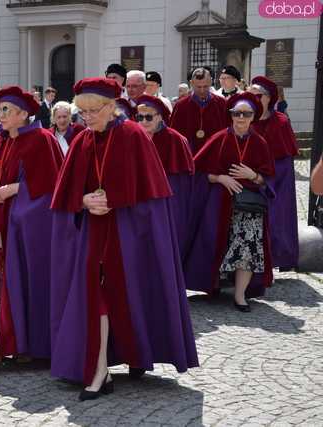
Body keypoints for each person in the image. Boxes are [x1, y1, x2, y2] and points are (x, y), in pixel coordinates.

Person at [50, 78, 198, 400]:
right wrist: (84, 201)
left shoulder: (133, 136)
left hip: (129, 234)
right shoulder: (81, 140)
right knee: (96, 297)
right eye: (83, 112)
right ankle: (99, 369)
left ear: (112, 107)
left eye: (93, 111)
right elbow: (67, 191)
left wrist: (116, 200)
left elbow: (150, 195)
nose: (86, 118)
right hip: (94, 233)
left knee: (128, 295)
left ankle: (131, 356)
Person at [0, 86, 63, 369]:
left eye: (6, 110)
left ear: (24, 114)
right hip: (0, 224)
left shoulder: (42, 140)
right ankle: (14, 343)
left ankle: (2, 346)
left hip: (27, 229)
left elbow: (51, 188)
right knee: (2, 285)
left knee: (18, 282)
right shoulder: (1, 141)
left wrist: (16, 189)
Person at [184, 92, 275, 312]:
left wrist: (252, 175)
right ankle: (212, 284)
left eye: (246, 114)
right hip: (218, 204)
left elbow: (268, 178)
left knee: (248, 248)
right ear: (231, 115)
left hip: (249, 206)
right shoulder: (218, 138)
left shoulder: (260, 142)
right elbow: (198, 170)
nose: (241, 118)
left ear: (253, 116)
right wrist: (220, 178)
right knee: (213, 243)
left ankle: (240, 295)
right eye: (237, 113)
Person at [250, 76, 300, 270]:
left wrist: (267, 180)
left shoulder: (280, 121)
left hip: (277, 178)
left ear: (268, 98)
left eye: (258, 95)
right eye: (250, 95)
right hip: (248, 177)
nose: (254, 99)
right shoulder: (244, 118)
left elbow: (285, 159)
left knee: (277, 219)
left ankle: (276, 259)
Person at [136, 94, 195, 257]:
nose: (143, 121)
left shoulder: (175, 139)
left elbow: (180, 184)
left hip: (168, 200)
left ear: (160, 117)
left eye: (148, 117)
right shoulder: (133, 138)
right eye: (139, 117)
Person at [170, 67, 228, 154]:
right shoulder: (181, 105)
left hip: (215, 155)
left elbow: (227, 132)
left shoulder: (221, 103)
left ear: (211, 82)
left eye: (205, 86)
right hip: (189, 155)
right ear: (191, 83)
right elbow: (174, 134)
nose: (202, 90)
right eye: (198, 87)